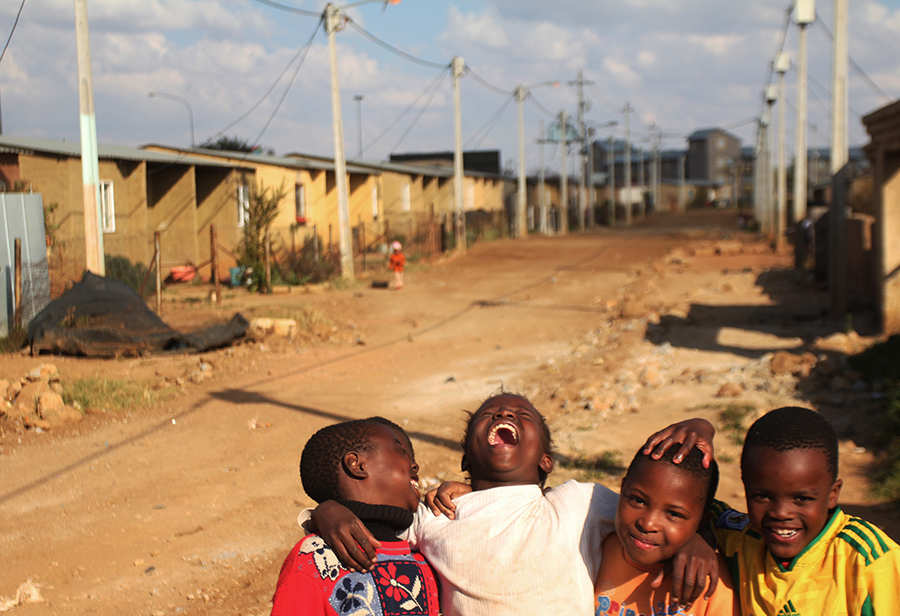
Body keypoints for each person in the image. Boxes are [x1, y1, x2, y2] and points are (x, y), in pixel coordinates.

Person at [308, 393, 719, 616]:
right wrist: (324, 510)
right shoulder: (436, 513)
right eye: (489, 413)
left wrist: (697, 539)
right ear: (467, 458)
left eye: (524, 414)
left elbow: (655, 514)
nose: (505, 411)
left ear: (545, 461)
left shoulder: (577, 502)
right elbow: (375, 521)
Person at [646, 407, 900, 616]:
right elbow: (684, 505)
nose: (780, 513)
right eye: (762, 496)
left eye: (802, 498)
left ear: (833, 494)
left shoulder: (869, 560)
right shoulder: (742, 538)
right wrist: (698, 537)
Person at [271, 417, 440, 616]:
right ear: (357, 465)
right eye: (401, 452)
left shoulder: (426, 552)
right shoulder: (315, 560)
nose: (414, 465)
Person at [594, 444, 737, 616]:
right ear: (622, 489)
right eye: (638, 500)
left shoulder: (713, 582)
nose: (648, 524)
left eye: (673, 514)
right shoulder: (597, 549)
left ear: (701, 523)